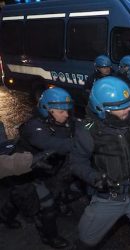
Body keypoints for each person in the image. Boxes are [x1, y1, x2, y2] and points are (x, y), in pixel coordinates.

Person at [69, 76, 130, 249]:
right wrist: (94, 177)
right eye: (120, 107)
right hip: (108, 198)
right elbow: (76, 163)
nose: (127, 110)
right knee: (85, 243)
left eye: (128, 104)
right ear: (101, 108)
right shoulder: (88, 131)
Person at [0, 87, 78, 248]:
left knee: (57, 192)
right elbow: (54, 144)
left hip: (45, 168)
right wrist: (83, 142)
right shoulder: (33, 127)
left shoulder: (64, 120)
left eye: (68, 110)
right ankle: (48, 237)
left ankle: (6, 216)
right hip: (24, 172)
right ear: (47, 110)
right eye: (61, 111)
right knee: (42, 207)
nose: (67, 115)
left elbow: (82, 127)